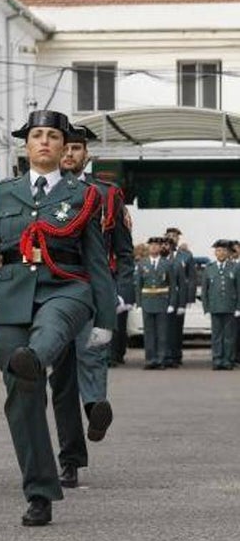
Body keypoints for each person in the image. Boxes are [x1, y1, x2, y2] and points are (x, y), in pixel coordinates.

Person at [0, 109, 115, 527]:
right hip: (12, 292)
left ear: (64, 145)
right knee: (22, 394)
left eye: (53, 135)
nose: (45, 142)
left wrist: (104, 317)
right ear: (26, 145)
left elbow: (96, 261)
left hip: (67, 287)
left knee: (45, 340)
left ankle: (36, 356)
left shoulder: (83, 195)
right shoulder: (1, 192)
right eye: (38, 135)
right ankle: (39, 491)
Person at [49, 125, 130, 488]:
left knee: (93, 353)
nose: (68, 154)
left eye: (76, 148)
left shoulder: (108, 195)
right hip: (55, 290)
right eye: (64, 147)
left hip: (95, 291)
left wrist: (121, 293)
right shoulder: (43, 193)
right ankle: (70, 459)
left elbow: (124, 253)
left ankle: (95, 407)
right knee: (62, 379)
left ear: (87, 154)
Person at [134, 236, 179, 370]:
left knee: (162, 333)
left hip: (162, 302)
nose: (154, 247)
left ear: (161, 248)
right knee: (149, 333)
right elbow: (138, 285)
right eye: (151, 245)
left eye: (156, 245)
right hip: (147, 301)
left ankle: (160, 360)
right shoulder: (142, 264)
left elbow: (172, 285)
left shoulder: (167, 264)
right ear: (149, 247)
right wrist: (139, 304)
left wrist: (171, 303)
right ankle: (150, 359)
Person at [201, 240, 239, 370]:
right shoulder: (209, 268)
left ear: (228, 253)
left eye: (223, 250)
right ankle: (217, 359)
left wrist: (238, 307)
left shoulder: (235, 267)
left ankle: (228, 360)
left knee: (229, 336)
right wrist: (206, 308)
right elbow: (204, 291)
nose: (220, 253)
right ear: (215, 253)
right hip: (215, 306)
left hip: (230, 307)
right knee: (216, 335)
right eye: (218, 250)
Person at [163, 228, 194, 367]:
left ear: (178, 239)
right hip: (163, 297)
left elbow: (191, 278)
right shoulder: (161, 254)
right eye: (169, 236)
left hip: (179, 297)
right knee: (163, 328)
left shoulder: (185, 255)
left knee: (176, 328)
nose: (172, 238)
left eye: (174, 236)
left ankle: (176, 356)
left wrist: (189, 298)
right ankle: (164, 355)